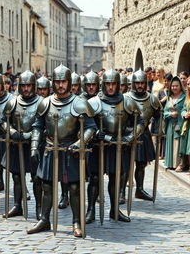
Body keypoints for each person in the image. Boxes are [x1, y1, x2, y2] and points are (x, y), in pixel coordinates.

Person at [27, 64, 96, 237]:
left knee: (73, 187)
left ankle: (76, 221)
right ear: (53, 83)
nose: (60, 85)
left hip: (71, 149)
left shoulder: (79, 103)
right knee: (47, 186)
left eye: (63, 81)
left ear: (69, 82)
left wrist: (80, 143)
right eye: (57, 82)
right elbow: (37, 126)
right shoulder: (45, 103)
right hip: (50, 149)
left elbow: (90, 127)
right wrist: (35, 145)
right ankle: (44, 220)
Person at [88, 69, 143, 222]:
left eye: (113, 84)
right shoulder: (94, 102)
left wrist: (130, 136)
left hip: (118, 147)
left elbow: (140, 121)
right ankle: (91, 210)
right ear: (103, 84)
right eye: (108, 84)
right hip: (98, 146)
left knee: (116, 179)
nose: (111, 87)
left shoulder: (127, 101)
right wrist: (95, 132)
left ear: (119, 84)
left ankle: (114, 210)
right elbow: (86, 122)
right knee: (94, 178)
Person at [1, 70, 43, 220]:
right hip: (16, 144)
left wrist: (30, 135)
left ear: (34, 86)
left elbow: (45, 125)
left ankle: (39, 207)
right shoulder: (13, 102)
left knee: (37, 178)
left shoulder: (41, 103)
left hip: (34, 146)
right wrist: (11, 131)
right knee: (17, 177)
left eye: (28, 85)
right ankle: (17, 206)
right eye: (23, 85)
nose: (25, 88)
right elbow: (3, 121)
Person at [127, 69, 162, 201]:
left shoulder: (152, 99)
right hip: (128, 133)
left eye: (142, 83)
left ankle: (139, 189)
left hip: (144, 134)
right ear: (133, 83)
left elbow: (159, 115)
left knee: (141, 164)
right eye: (137, 83)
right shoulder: (127, 98)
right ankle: (121, 192)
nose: (140, 85)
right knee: (125, 164)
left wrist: (158, 129)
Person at [164, 76, 185, 170]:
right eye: (172, 86)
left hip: (180, 124)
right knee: (170, 144)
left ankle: (179, 164)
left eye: (176, 86)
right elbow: (164, 112)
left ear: (180, 86)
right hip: (170, 125)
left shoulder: (184, 97)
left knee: (178, 144)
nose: (174, 88)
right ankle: (170, 163)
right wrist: (170, 114)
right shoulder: (169, 98)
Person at [179, 79, 190, 173]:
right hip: (187, 125)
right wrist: (184, 114)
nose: (189, 86)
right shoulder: (187, 97)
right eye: (188, 84)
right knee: (187, 147)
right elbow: (183, 109)